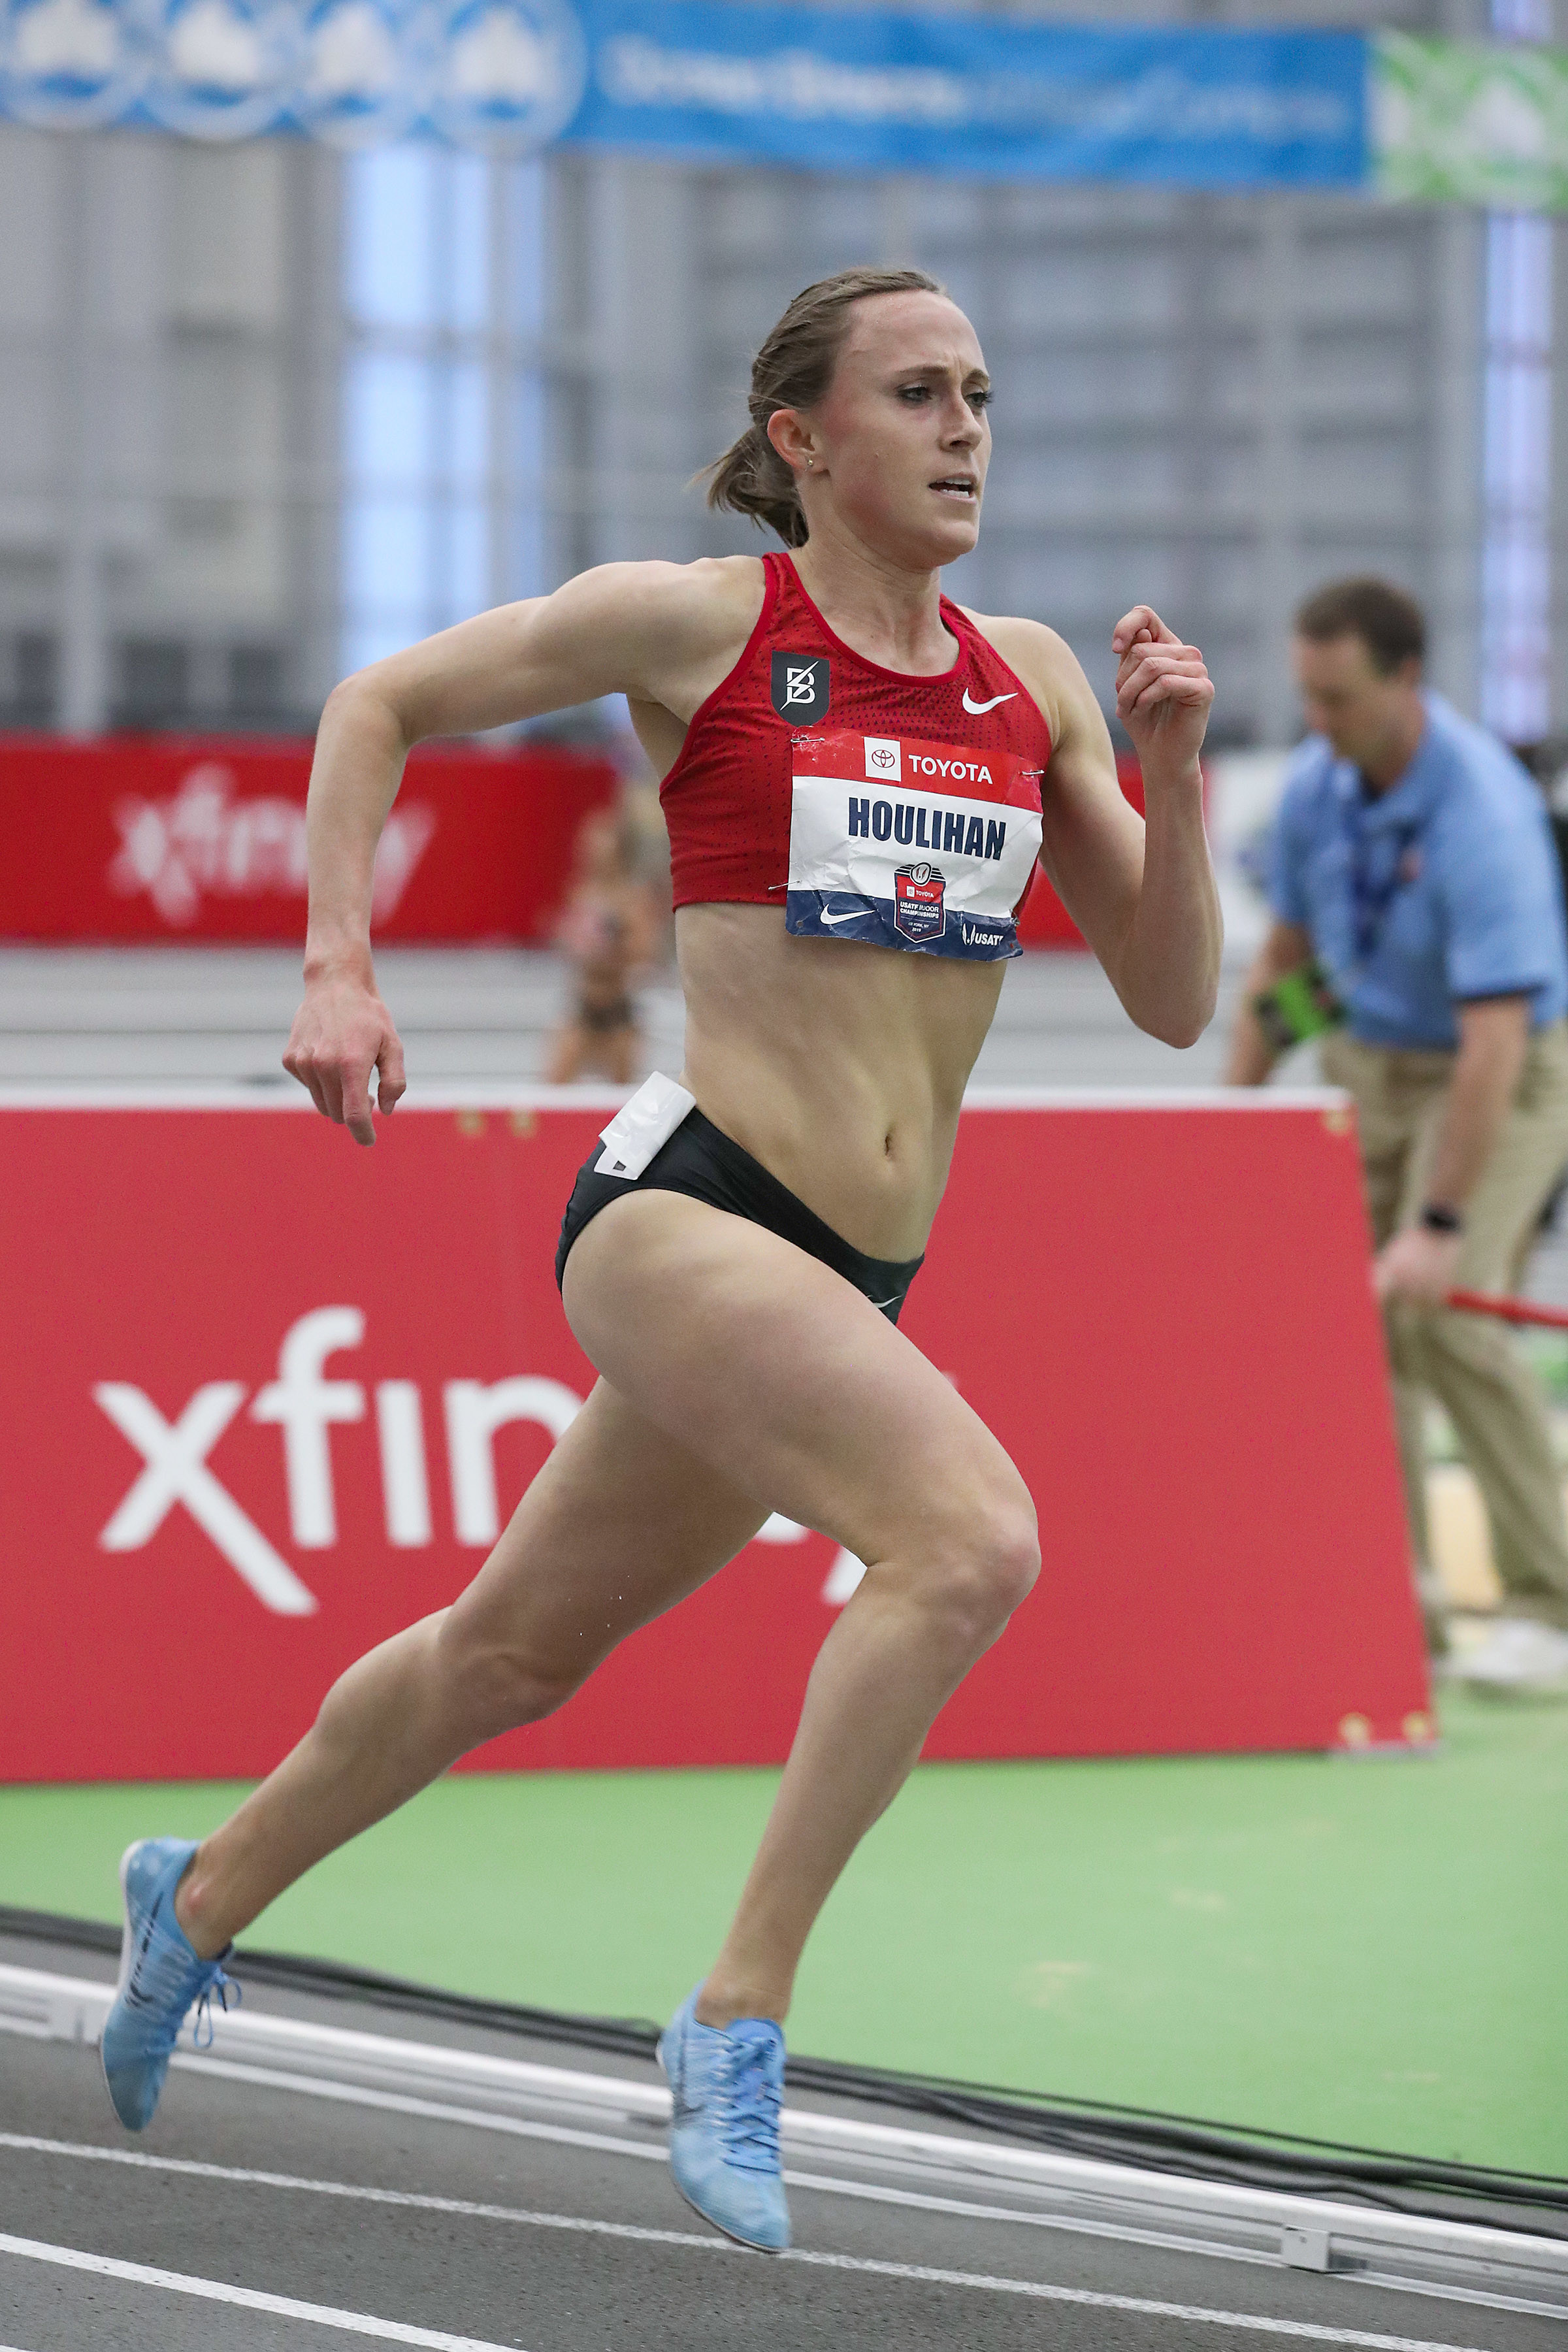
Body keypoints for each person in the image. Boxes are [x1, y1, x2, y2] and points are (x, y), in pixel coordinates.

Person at [99, 265, 1220, 2251]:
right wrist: (337, 967)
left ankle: (193, 1898)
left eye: (978, 394)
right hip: (684, 1211)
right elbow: (377, 705)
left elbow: (1168, 994)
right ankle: (734, 2013)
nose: (964, 429)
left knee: (507, 1653)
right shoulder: (700, 625)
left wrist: (1170, 773)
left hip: (849, 1276)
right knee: (965, 1542)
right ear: (801, 438)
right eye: (915, 394)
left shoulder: (1029, 679)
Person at [1226, 576, 1568, 1688]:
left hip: (1497, 1073)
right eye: (1308, 697)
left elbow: (1494, 1040)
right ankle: (1396, 1611)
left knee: (1445, 1314)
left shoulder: (1483, 813)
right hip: (1367, 1055)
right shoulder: (1317, 787)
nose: (1318, 722)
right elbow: (1291, 968)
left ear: (1406, 679)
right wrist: (1229, 1131)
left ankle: (1551, 1606)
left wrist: (1439, 1224)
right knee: (1354, 1333)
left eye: (1339, 699)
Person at [545, 803, 662, 1085]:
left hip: (617, 1009)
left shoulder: (633, 898)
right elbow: (569, 942)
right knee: (554, 1087)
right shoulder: (581, 892)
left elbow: (645, 952)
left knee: (621, 1093)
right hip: (584, 1005)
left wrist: (613, 947)